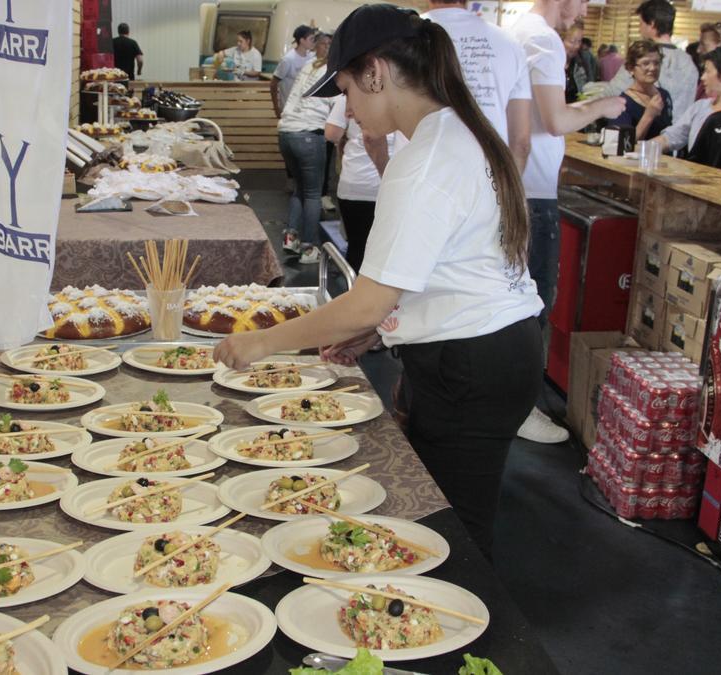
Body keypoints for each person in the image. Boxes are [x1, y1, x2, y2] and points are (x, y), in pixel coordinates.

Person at [214, 5, 543, 559]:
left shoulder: (427, 159)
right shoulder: (454, 133)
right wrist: (387, 330)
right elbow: (445, 266)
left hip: (471, 362)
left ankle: (465, 633)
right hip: (493, 350)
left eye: (347, 89)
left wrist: (260, 341)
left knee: (450, 534)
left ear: (376, 72)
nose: (348, 108)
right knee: (442, 514)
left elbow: (367, 302)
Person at [510, 0, 625, 443]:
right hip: (534, 189)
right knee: (535, 300)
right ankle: (523, 407)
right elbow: (555, 120)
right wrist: (604, 106)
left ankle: (514, 402)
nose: (585, 8)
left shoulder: (521, 31)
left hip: (519, 184)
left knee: (520, 297)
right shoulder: (542, 38)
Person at [424, 0, 532, 171]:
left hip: (420, 175)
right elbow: (521, 143)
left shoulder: (404, 38)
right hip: (487, 178)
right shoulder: (510, 44)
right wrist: (510, 193)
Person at [277, 32, 334, 264]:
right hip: (309, 134)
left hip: (286, 133)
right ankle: (309, 248)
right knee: (313, 194)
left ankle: (291, 238)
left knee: (299, 188)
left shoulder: (308, 66)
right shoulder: (333, 71)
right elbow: (336, 106)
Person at [325, 97, 394, 271]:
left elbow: (331, 133)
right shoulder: (402, 96)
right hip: (388, 186)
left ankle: (353, 291)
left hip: (355, 183)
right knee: (384, 252)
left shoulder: (348, 97)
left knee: (357, 248)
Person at [605, 0, 699, 121]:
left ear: (652, 24)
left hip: (647, 131)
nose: (640, 29)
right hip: (680, 133)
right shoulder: (688, 62)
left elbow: (614, 92)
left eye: (641, 23)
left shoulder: (643, 57)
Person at [656, 44, 721, 167]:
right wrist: (642, 149)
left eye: (708, 71)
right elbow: (671, 137)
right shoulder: (700, 107)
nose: (702, 77)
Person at [611, 40, 673, 141]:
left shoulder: (664, 95)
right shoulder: (621, 104)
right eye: (646, 63)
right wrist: (649, 115)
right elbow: (622, 144)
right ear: (631, 68)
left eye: (657, 63)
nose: (653, 68)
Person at [271, 25, 317, 116]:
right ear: (302, 40)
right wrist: (276, 107)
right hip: (289, 107)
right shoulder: (288, 59)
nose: (314, 42)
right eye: (311, 39)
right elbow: (273, 83)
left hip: (304, 107)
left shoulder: (311, 57)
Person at [563, 21, 593, 102]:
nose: (576, 46)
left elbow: (586, 89)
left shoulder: (581, 63)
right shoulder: (550, 64)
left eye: (579, 41)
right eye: (572, 41)